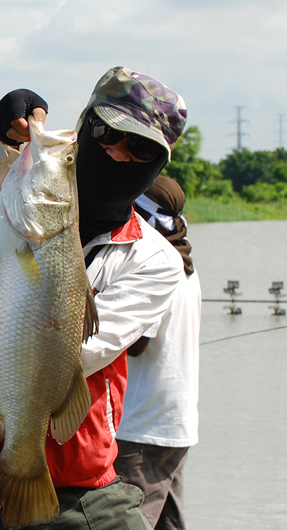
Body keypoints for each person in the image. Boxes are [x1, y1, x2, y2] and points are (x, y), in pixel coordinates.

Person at [0, 66, 188, 529]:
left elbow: (83, 351)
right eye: (105, 132)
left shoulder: (155, 261)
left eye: (140, 148)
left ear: (159, 162)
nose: (116, 152)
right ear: (85, 124)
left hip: (78, 487)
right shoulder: (13, 197)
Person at [113, 175, 201, 530]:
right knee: (170, 523)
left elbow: (135, 345)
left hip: (141, 427)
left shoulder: (154, 265)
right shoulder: (187, 266)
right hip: (177, 425)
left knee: (125, 522)